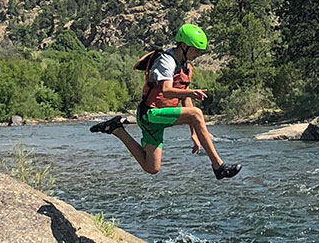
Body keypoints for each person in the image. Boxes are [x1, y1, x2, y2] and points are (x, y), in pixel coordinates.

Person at [92, 23, 241, 180]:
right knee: (197, 113)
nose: (198, 54)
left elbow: (186, 100)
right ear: (184, 46)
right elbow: (167, 91)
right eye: (196, 50)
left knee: (152, 168)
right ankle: (218, 166)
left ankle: (116, 129)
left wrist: (194, 133)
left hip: (158, 117)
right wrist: (190, 92)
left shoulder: (187, 67)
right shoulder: (166, 61)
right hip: (150, 113)